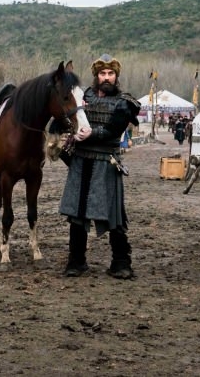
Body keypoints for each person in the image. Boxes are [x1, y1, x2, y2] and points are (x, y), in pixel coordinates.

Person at [59, 54, 141, 279]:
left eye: (110, 73)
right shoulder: (82, 96)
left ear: (116, 76)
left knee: (114, 216)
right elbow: (67, 116)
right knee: (77, 214)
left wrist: (91, 133)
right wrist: (70, 131)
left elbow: (114, 130)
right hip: (80, 160)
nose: (106, 77)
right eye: (102, 73)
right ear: (96, 76)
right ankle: (76, 261)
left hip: (106, 162)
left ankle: (121, 263)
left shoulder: (124, 102)